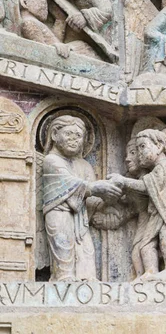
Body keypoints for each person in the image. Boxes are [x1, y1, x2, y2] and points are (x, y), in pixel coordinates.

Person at [42, 115, 121, 281]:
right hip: (59, 213)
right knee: (63, 245)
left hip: (81, 218)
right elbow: (69, 183)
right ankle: (63, 279)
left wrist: (110, 197)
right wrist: (95, 188)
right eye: (69, 134)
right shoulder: (51, 160)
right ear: (55, 135)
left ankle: (87, 281)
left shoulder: (84, 165)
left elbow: (92, 199)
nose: (73, 140)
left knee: (86, 249)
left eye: (78, 136)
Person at [109, 129, 166, 281]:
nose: (139, 152)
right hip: (156, 211)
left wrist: (124, 181)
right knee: (146, 244)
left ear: (159, 146)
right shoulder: (155, 170)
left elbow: (145, 186)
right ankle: (150, 271)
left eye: (142, 146)